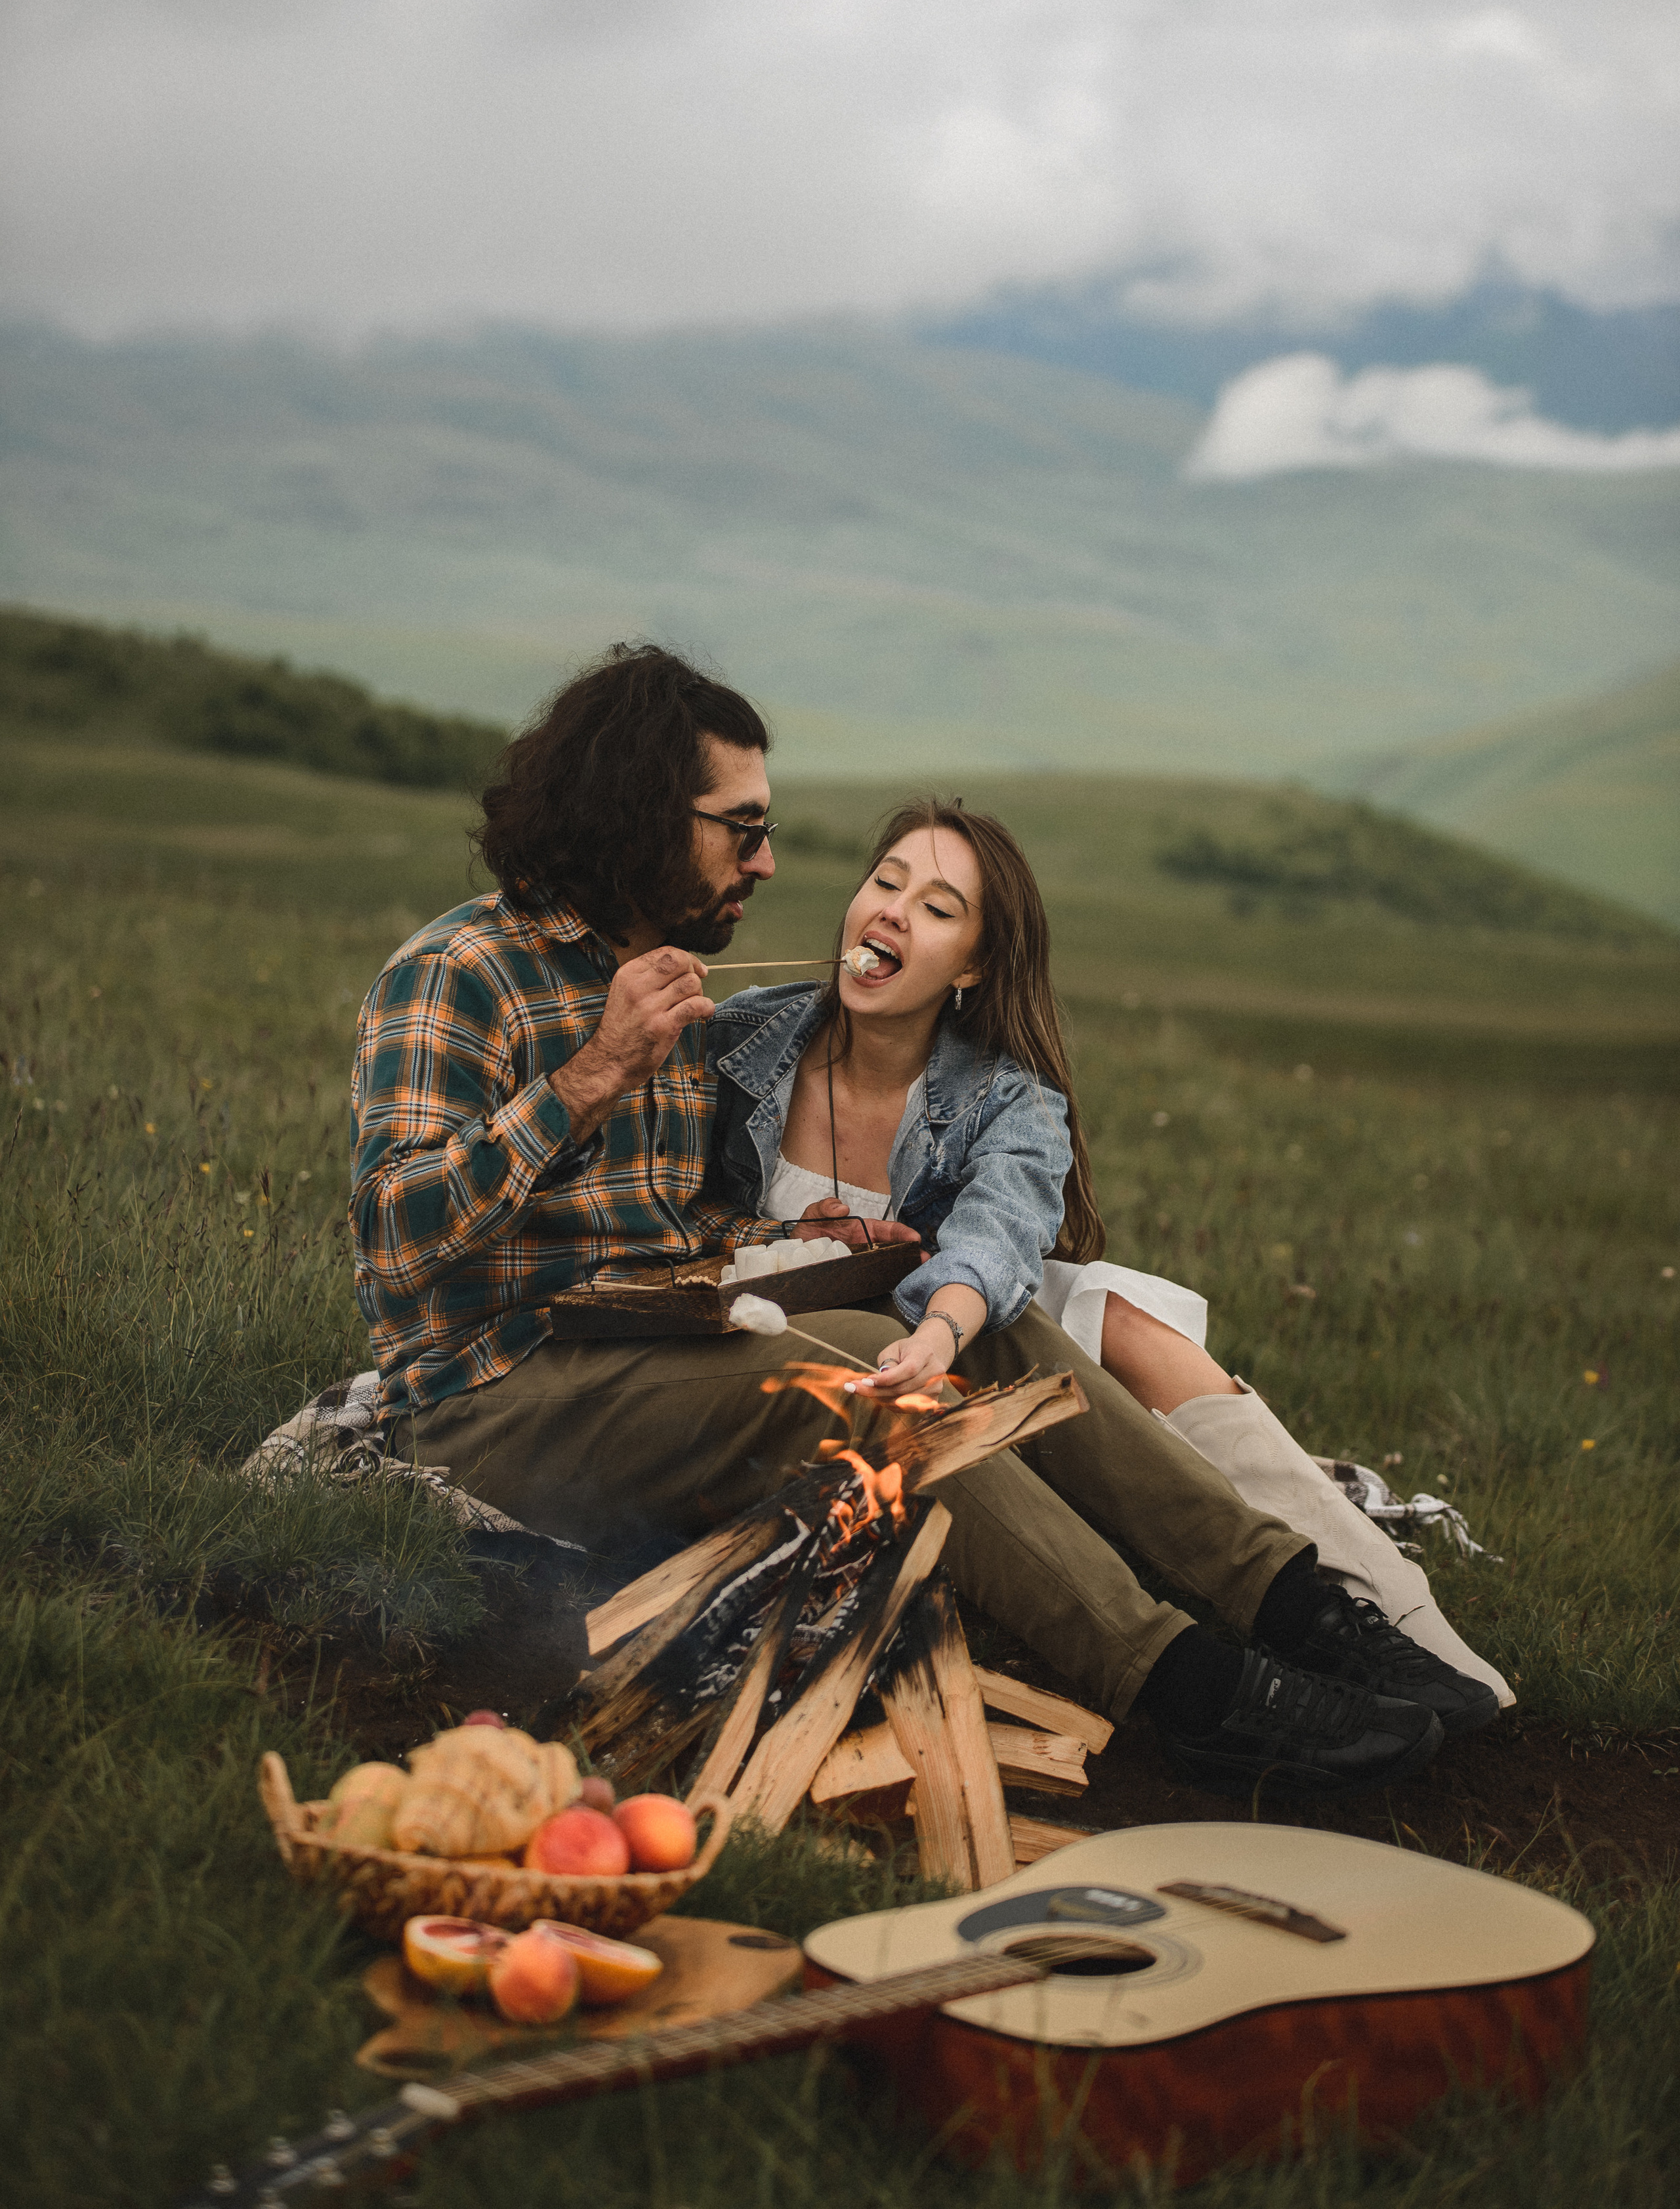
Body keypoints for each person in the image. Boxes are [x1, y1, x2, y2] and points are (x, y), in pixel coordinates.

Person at [350, 641, 1477, 1799]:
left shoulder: (668, 991)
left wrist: (788, 1248)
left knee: (974, 1328)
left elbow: (643, 1232)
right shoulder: (460, 970)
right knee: (854, 1394)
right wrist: (591, 1074)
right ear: (644, 810)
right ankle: (1188, 1688)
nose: (770, 861)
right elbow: (392, 1241)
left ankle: (1299, 1606)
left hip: (637, 1349)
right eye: (741, 828)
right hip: (494, 1394)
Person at [705, 795, 1511, 1715]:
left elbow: (999, 1233)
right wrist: (777, 1239)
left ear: (972, 964)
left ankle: (1387, 1619)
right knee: (1050, 1361)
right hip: (816, 1355)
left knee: (1116, 1321)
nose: (892, 909)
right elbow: (665, 1219)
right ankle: (1235, 1640)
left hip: (958, 1318)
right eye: (885, 882)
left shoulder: (1009, 1096)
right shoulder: (739, 1039)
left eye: (936, 906)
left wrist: (938, 1326)